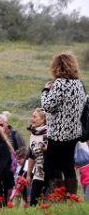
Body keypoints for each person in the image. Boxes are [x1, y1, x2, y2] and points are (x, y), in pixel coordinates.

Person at [41, 51, 85, 196]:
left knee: (52, 166)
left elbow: (48, 106)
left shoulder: (59, 83)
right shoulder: (79, 84)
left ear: (57, 67)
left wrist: (46, 90)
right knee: (68, 166)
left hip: (58, 134)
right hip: (74, 133)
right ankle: (72, 197)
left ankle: (57, 196)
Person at [26, 108, 48, 206]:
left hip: (50, 171)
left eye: (35, 117)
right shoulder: (32, 134)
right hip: (38, 172)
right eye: (32, 116)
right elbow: (31, 156)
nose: (32, 119)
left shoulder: (50, 133)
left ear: (43, 119)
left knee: (51, 200)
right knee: (33, 201)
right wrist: (28, 175)